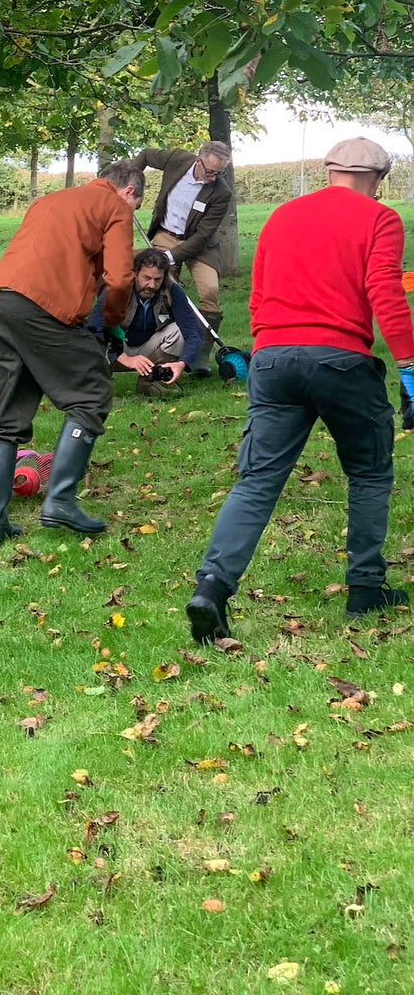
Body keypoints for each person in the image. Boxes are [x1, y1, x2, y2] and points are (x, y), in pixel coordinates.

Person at [187, 138, 414, 643]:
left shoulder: (282, 218)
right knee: (370, 472)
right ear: (377, 179)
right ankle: (365, 589)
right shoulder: (380, 218)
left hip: (272, 358)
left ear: (328, 171)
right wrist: (409, 365)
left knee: (257, 481)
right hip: (341, 360)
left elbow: (261, 294)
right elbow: (384, 290)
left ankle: (213, 587)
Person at [0, 160, 144, 551]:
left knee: (10, 411)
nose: (132, 215)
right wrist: (114, 320)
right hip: (43, 305)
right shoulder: (114, 207)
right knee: (91, 393)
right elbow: (120, 277)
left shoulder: (51, 200)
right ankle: (61, 501)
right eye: (136, 207)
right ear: (129, 192)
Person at [131, 141, 233, 376]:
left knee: (210, 291)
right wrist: (131, 186)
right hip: (166, 234)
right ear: (198, 161)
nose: (214, 177)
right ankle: (164, 350)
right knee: (162, 289)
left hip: (200, 246)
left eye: (220, 173)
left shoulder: (221, 192)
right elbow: (145, 155)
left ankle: (202, 355)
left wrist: (170, 256)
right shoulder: (177, 159)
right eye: (210, 171)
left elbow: (203, 235)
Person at [88, 247, 204, 394]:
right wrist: (122, 357)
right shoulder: (117, 290)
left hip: (148, 346)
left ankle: (149, 382)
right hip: (117, 348)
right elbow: (93, 329)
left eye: (157, 279)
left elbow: (194, 332)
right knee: (91, 342)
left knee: (178, 333)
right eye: (147, 278)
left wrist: (182, 363)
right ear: (135, 274)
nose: (152, 285)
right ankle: (97, 389)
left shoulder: (172, 291)